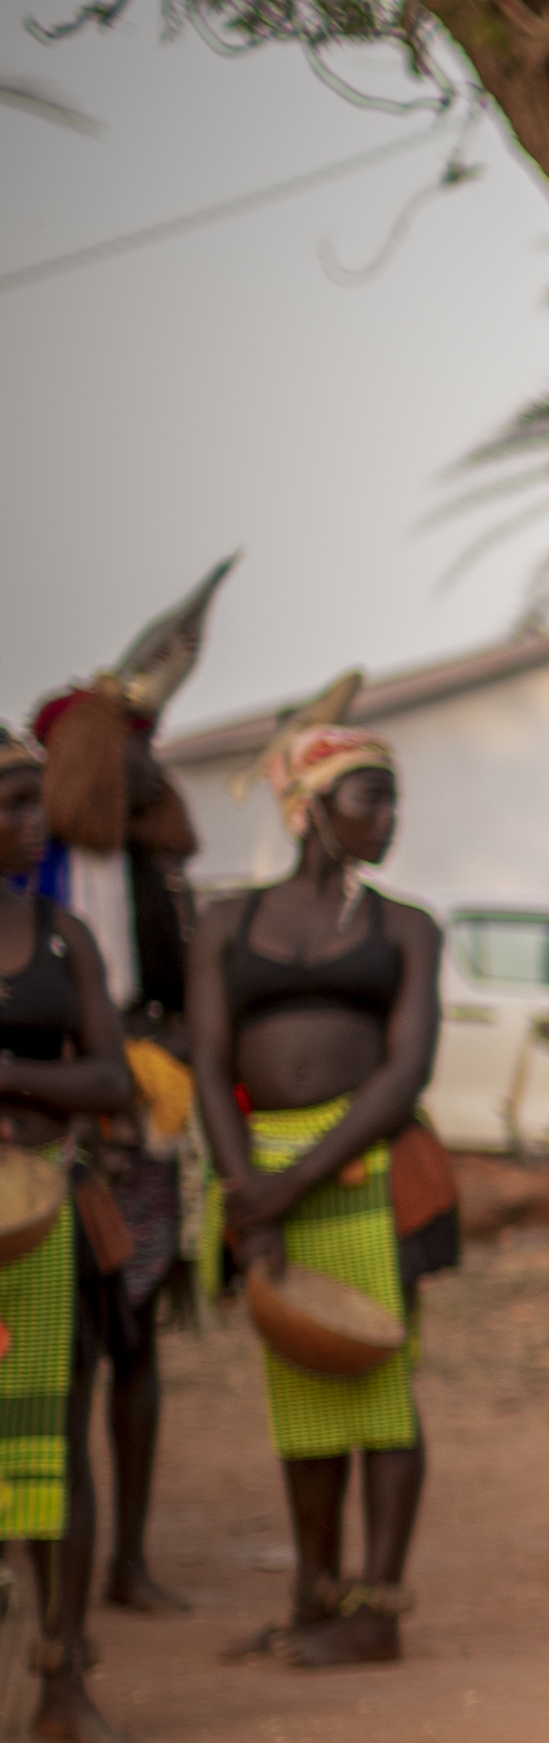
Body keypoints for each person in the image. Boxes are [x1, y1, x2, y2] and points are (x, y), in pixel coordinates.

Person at [186, 723, 449, 1669]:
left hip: (369, 1173)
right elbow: (209, 1068)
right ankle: (313, 1593)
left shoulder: (407, 926)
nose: (388, 816)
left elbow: (406, 1069)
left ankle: (377, 1607)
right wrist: (246, 1190)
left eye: (393, 798)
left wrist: (293, 1181)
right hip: (257, 1173)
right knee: (299, 1383)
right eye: (368, 797)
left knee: (380, 1380)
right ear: (309, 809)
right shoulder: (226, 923)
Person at [31, 566, 226, 1617]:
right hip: (56, 1131)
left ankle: (129, 1559)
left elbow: (191, 993)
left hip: (145, 1122)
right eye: (135, 745)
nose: (156, 766)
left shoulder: (159, 879)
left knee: (138, 1336)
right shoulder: (33, 886)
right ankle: (48, 1567)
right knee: (53, 1358)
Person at [0, 725, 138, 1743]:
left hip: (45, 1214)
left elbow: (112, 1079)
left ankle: (61, 1675)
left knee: (57, 1445)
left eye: (31, 802)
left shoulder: (62, 936)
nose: (29, 823)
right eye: (9, 804)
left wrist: (11, 1082)